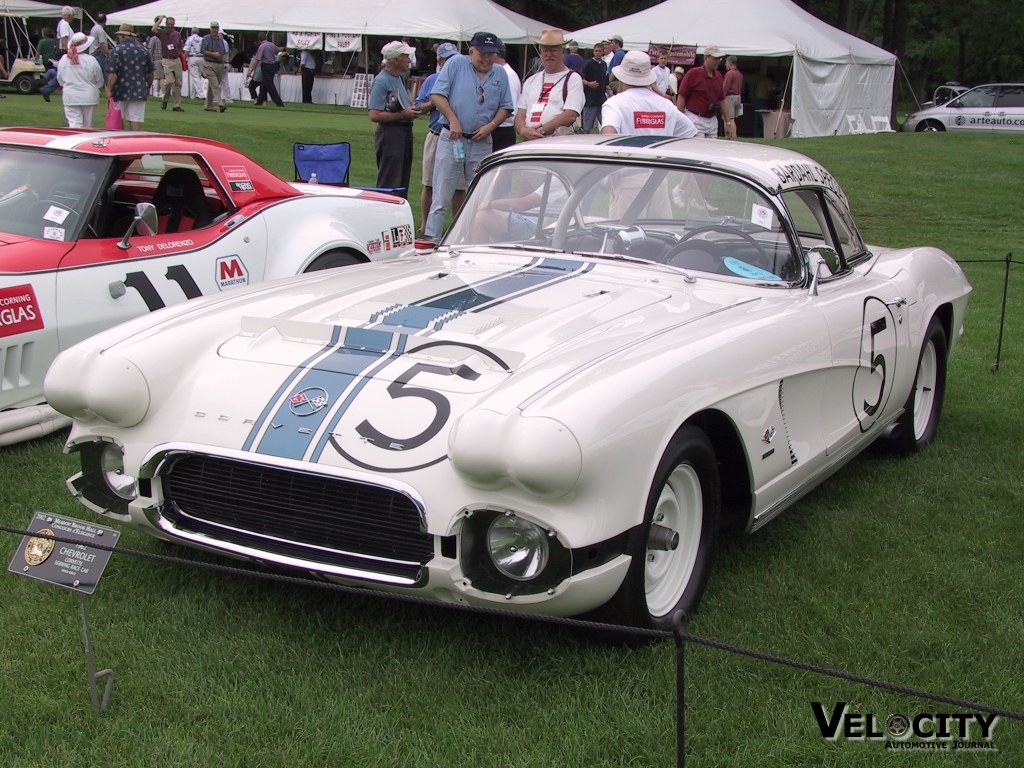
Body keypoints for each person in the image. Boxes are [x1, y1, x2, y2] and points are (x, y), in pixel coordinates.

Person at [423, 31, 513, 242]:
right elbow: (437, 95)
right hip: (452, 138)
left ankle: (470, 240)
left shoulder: (500, 73)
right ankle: (432, 239)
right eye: (482, 54)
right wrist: (453, 119)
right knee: (441, 194)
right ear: (471, 51)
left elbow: (506, 106)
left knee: (479, 196)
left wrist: (491, 126)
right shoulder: (456, 64)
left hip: (481, 141)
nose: (487, 59)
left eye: (491, 54)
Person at [602, 50, 698, 219]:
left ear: (623, 78)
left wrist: (607, 175)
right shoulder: (665, 105)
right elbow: (692, 134)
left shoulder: (615, 103)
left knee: (624, 234)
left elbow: (608, 135)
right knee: (658, 234)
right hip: (659, 180)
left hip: (629, 180)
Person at [414, 42, 464, 233]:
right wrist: (435, 102)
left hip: (458, 137)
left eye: (453, 59)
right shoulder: (432, 80)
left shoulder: (464, 79)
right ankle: (425, 224)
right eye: (446, 59)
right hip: (436, 134)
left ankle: (456, 227)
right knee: (429, 183)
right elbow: (418, 107)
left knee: (458, 186)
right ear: (440, 62)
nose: (450, 63)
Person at [368, 40, 422, 198]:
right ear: (397, 59)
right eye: (406, 57)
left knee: (402, 181)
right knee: (390, 181)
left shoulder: (398, 78)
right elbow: (374, 115)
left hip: (403, 133)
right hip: (390, 134)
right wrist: (403, 115)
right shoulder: (381, 81)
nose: (409, 60)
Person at [515, 28, 584, 141]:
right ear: (540, 53)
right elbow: (520, 114)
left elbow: (570, 115)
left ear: (563, 52)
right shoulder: (531, 80)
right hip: (529, 142)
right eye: (545, 50)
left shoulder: (573, 79)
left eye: (554, 50)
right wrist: (523, 130)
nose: (549, 54)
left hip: (556, 143)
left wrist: (540, 131)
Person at [676, 44, 734, 139]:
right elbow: (682, 96)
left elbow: (722, 99)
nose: (718, 61)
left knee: (712, 147)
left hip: (712, 120)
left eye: (719, 58)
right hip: (695, 118)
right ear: (706, 58)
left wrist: (728, 123)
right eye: (715, 58)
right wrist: (680, 119)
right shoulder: (693, 73)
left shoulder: (718, 75)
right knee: (698, 147)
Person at [107, 24, 154, 130]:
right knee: (135, 119)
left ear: (122, 36)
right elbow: (151, 73)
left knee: (117, 118)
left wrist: (109, 89)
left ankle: (119, 139)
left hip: (120, 90)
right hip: (139, 90)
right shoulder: (143, 50)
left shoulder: (117, 50)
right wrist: (148, 87)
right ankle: (134, 139)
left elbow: (113, 73)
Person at [57, 32, 103, 128]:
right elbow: (99, 79)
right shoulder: (91, 60)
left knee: (74, 124)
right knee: (88, 126)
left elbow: (60, 79)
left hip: (70, 95)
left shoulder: (64, 59)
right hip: (89, 96)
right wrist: (97, 86)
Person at [491, 43, 520, 152]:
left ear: (495, 54)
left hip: (502, 131)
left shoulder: (508, 75)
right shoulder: (497, 72)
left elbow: (509, 108)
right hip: (495, 128)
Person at [151, 15, 184, 111]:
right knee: (169, 81)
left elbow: (180, 46)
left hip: (176, 60)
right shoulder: (162, 33)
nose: (170, 26)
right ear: (166, 24)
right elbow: (153, 29)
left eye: (172, 24)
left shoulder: (177, 34)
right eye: (169, 24)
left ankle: (176, 105)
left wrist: (180, 53)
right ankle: (165, 99)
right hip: (167, 60)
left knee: (178, 83)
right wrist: (160, 19)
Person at [246, 31, 284, 107]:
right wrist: (283, 47)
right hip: (272, 66)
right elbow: (278, 50)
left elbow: (257, 59)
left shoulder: (262, 46)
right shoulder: (272, 44)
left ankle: (279, 102)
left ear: (259, 39)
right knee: (264, 84)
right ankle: (260, 101)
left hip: (266, 66)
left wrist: (250, 70)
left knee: (269, 85)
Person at [200, 22, 229, 112]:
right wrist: (213, 54)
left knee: (212, 86)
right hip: (209, 63)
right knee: (215, 85)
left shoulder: (221, 40)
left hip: (219, 64)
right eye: (213, 28)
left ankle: (208, 106)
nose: (214, 30)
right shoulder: (206, 38)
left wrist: (222, 59)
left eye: (216, 28)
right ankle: (221, 104)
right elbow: (202, 50)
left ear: (218, 29)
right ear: (210, 29)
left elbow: (224, 52)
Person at [581, 42, 608, 132]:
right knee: (587, 128)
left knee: (606, 124)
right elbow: (581, 78)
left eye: (599, 51)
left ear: (603, 52)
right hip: (590, 100)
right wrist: (588, 84)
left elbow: (605, 80)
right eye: (596, 51)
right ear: (593, 51)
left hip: (601, 100)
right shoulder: (588, 63)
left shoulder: (604, 64)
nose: (597, 53)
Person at [723, 56, 744, 137]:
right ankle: (733, 136)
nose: (725, 64)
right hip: (738, 97)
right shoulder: (740, 74)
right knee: (733, 119)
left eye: (726, 63)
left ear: (731, 64)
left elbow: (725, 87)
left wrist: (721, 97)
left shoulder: (729, 73)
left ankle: (730, 136)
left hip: (730, 97)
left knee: (728, 119)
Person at [37, 28, 58, 102]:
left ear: (44, 34)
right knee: (52, 74)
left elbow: (38, 52)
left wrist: (36, 60)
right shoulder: (54, 41)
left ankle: (43, 87)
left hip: (45, 60)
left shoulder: (42, 41)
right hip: (54, 60)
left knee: (47, 74)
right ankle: (47, 88)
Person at [183, 27, 204, 99]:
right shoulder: (202, 39)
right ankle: (193, 95)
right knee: (198, 77)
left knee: (195, 76)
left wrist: (183, 59)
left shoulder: (190, 39)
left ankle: (201, 94)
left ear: (191, 32)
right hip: (201, 58)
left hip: (192, 57)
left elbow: (187, 50)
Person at [88, 13, 111, 78]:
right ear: (105, 21)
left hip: (92, 52)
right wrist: (108, 55)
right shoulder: (101, 31)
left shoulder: (93, 28)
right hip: (98, 54)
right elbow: (102, 44)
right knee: (104, 71)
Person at [146, 19, 163, 96]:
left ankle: (160, 92)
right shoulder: (163, 38)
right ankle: (158, 92)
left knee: (158, 77)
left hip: (156, 59)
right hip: (164, 59)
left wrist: (149, 59)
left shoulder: (153, 39)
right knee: (161, 77)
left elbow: (150, 49)